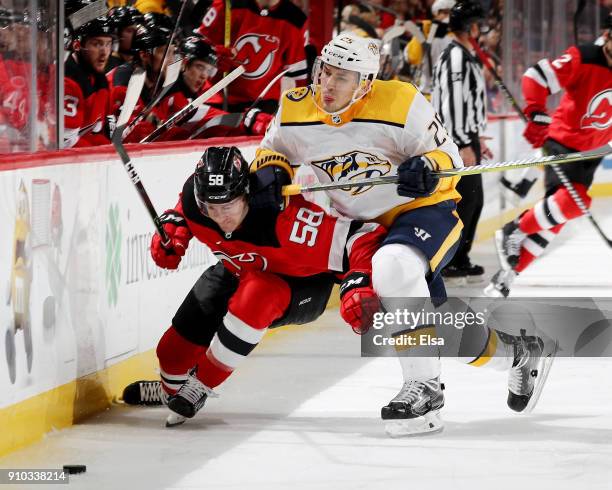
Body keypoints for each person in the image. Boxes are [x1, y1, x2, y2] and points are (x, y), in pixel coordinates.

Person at [253, 31, 554, 436]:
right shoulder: (296, 108)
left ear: (365, 83)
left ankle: (425, 389)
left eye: (342, 77)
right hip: (361, 228)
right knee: (420, 318)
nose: (327, 84)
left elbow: (448, 155)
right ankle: (518, 353)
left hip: (422, 211)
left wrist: (426, 166)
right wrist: (272, 170)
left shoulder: (400, 101)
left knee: (393, 267)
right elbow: (273, 150)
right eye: (325, 72)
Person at [122, 146, 386, 427]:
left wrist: (359, 280)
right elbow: (184, 207)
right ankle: (169, 391)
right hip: (237, 270)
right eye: (211, 208)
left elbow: (363, 236)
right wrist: (175, 226)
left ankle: (201, 385)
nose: (221, 217)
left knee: (258, 292)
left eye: (228, 206)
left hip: (300, 285)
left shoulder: (291, 224)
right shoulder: (196, 204)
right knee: (172, 352)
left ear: (247, 193)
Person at [485, 14, 612, 298]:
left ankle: (506, 276)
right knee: (571, 203)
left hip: (591, 154)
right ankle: (512, 230)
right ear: (608, 35)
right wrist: (537, 112)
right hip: (564, 145)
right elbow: (535, 77)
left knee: (557, 219)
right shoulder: (584, 57)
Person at [431, 0, 492, 284]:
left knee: (474, 201)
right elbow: (452, 105)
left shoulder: (464, 55)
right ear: (471, 27)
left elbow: (467, 103)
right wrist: (465, 143)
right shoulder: (455, 57)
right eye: (479, 24)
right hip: (458, 143)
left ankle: (461, 258)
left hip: (467, 139)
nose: (482, 30)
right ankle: (451, 261)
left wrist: (476, 136)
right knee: (464, 201)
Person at [196, 0, 308, 113]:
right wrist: (212, 58)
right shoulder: (226, 3)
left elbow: (299, 76)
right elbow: (194, 51)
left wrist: (298, 114)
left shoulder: (296, 20)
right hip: (215, 97)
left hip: (260, 106)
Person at [153, 35, 274, 140]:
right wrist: (249, 120)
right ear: (184, 63)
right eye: (200, 67)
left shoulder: (189, 86)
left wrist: (213, 52)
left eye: (209, 70)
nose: (204, 76)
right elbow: (213, 119)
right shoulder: (173, 93)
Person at [64, 16, 116, 147]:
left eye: (108, 44)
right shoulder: (66, 80)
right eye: (97, 44)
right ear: (77, 45)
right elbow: (64, 143)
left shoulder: (100, 79)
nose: (104, 52)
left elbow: (96, 132)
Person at [405, 0, 455, 98]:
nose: (447, 17)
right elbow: (412, 57)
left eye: (450, 13)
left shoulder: (458, 36)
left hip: (447, 94)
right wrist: (422, 33)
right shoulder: (426, 29)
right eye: (444, 13)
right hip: (424, 92)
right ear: (436, 14)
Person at [106, 6, 145, 72]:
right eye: (130, 31)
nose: (136, 35)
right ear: (116, 34)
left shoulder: (141, 60)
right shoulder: (108, 66)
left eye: (138, 30)